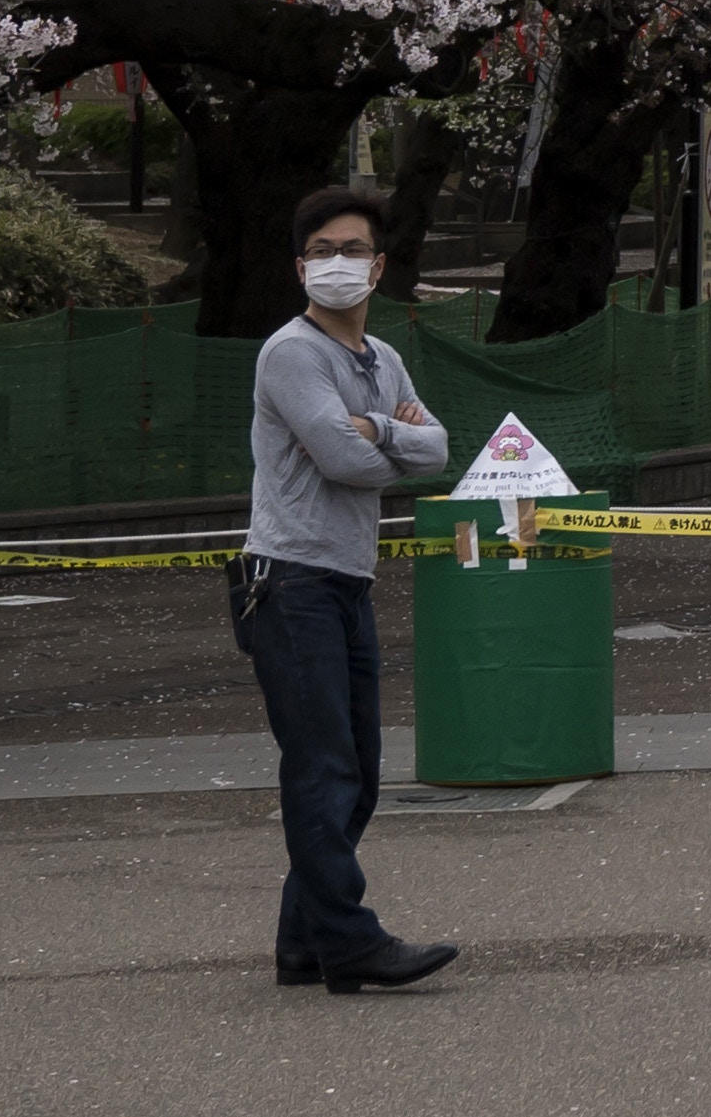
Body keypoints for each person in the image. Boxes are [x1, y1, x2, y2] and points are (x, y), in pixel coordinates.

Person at [236, 184, 457, 994]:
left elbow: (436, 450)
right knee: (323, 766)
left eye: (353, 250)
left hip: (346, 579)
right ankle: (350, 939)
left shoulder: (383, 359)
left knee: (356, 772)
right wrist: (382, 443)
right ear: (300, 266)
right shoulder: (292, 352)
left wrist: (382, 430)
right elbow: (343, 462)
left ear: (380, 265)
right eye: (323, 250)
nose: (338, 263)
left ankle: (304, 939)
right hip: (289, 580)